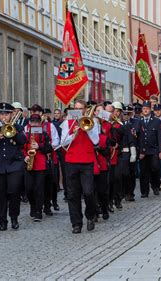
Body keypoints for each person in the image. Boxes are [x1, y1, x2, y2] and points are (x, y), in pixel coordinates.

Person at [61, 99, 99, 233]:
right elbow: (62, 142)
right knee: (73, 194)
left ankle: (90, 215)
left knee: (88, 192)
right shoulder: (67, 122)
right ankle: (76, 223)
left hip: (87, 161)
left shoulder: (93, 122)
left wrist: (86, 128)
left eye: (80, 108)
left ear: (85, 109)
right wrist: (73, 134)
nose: (77, 111)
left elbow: (96, 140)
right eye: (75, 108)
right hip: (71, 161)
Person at [0, 102, 26, 231]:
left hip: (14, 165)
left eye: (6, 114)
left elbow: (22, 142)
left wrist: (12, 131)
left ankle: (14, 218)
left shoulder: (18, 127)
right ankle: (2, 221)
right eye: (1, 113)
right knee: (0, 194)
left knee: (14, 192)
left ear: (11, 114)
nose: (3, 116)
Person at [23, 114, 52, 222]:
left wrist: (39, 146)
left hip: (40, 164)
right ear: (29, 123)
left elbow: (49, 148)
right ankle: (33, 205)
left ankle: (39, 211)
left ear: (40, 123)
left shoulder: (44, 133)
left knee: (39, 189)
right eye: (32, 121)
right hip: (29, 163)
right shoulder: (25, 134)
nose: (34, 123)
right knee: (29, 188)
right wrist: (25, 156)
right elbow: (21, 147)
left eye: (36, 122)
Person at [138, 100, 161, 197]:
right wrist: (138, 151)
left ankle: (155, 186)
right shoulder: (139, 121)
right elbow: (137, 136)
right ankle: (144, 191)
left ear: (150, 110)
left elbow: (160, 137)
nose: (145, 110)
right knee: (143, 171)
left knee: (155, 168)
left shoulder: (156, 121)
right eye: (144, 109)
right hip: (142, 151)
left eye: (147, 109)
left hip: (153, 150)